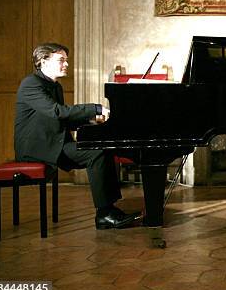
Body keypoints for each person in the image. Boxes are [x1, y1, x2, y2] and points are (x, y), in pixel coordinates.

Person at [15, 43, 140, 230]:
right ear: (43, 62)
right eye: (61, 60)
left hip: (53, 143)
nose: (66, 64)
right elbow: (57, 112)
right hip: (37, 148)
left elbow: (60, 120)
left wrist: (91, 121)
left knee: (102, 149)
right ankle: (104, 214)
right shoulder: (31, 84)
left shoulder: (54, 86)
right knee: (96, 153)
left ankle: (108, 210)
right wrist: (95, 108)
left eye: (66, 60)